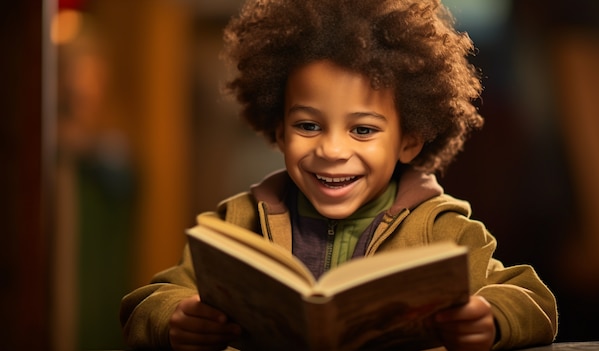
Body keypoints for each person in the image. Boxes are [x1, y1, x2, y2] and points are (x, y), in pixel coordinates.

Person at [120, 0, 558, 350]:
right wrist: (175, 319)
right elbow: (149, 301)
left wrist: (491, 319)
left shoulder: (443, 231)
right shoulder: (238, 223)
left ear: (410, 140)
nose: (331, 150)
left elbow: (533, 300)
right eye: (308, 125)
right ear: (279, 128)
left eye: (363, 130)